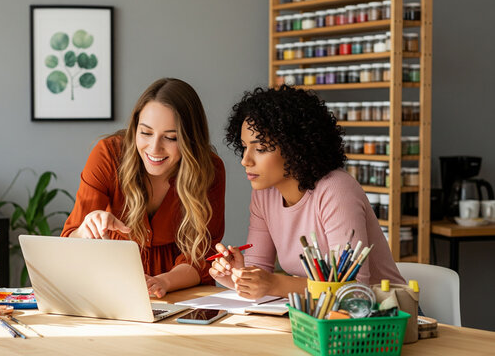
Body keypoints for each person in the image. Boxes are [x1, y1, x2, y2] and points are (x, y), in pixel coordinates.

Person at [210, 85, 404, 299]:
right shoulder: (264, 194)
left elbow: (353, 289)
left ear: (296, 147)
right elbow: (260, 272)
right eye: (244, 146)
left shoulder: (336, 189)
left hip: (384, 317)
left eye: (261, 148)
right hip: (321, 315)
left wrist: (274, 284)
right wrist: (237, 275)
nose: (245, 160)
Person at [61, 78, 225, 298]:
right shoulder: (108, 155)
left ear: (191, 139)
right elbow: (68, 241)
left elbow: (203, 256)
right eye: (146, 133)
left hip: (181, 289)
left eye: (171, 137)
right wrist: (86, 229)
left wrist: (164, 281)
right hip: (110, 288)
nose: (154, 148)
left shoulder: (209, 169)